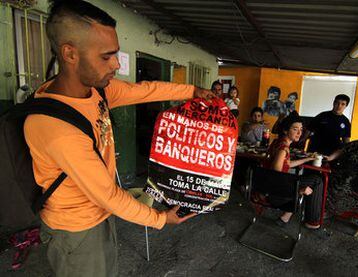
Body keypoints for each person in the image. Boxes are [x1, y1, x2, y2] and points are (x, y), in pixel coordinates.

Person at [23, 1, 215, 276]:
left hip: (99, 214)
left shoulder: (94, 91)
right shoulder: (56, 127)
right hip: (76, 229)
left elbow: (143, 91)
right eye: (106, 57)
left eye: (116, 54)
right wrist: (161, 219)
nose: (115, 64)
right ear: (70, 54)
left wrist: (192, 91)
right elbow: (109, 195)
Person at [265, 115, 323, 229]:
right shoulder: (283, 149)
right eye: (295, 129)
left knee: (314, 180)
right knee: (317, 181)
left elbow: (287, 165)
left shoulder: (278, 142)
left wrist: (307, 159)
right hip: (276, 192)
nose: (299, 133)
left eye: (301, 130)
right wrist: (298, 190)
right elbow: (276, 175)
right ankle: (312, 221)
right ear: (286, 130)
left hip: (273, 186)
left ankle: (286, 217)